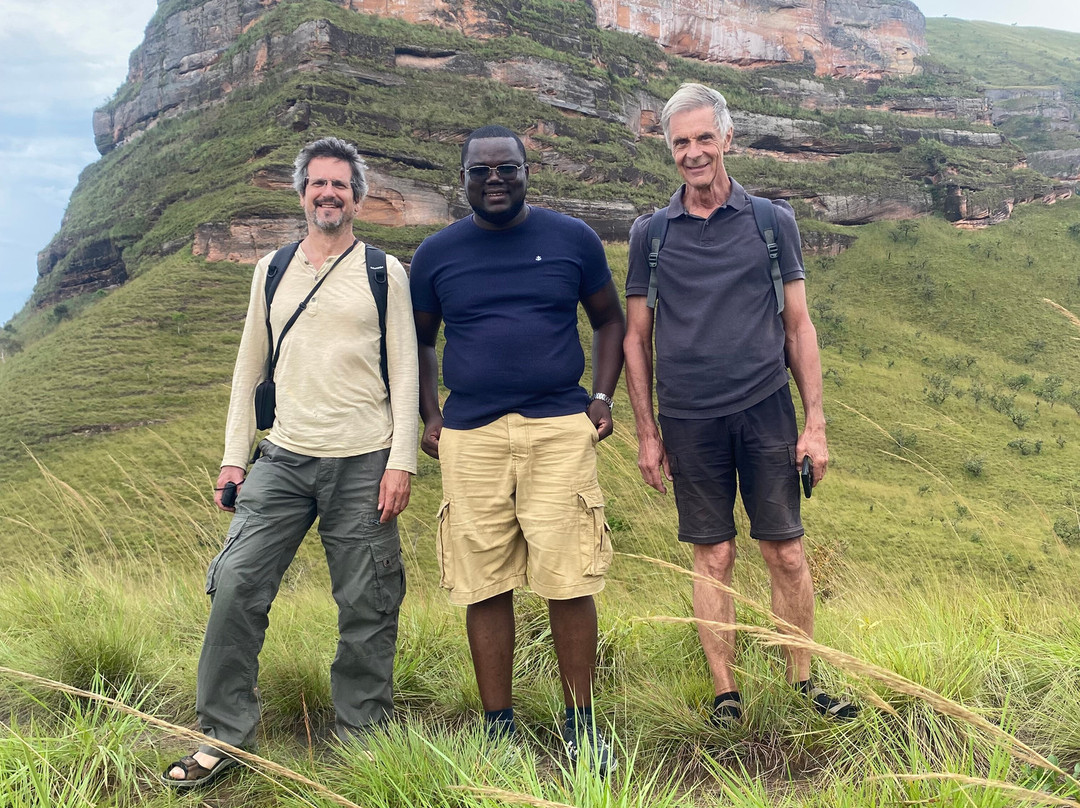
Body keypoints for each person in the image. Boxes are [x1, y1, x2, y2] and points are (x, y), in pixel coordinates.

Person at [163, 136, 419, 788]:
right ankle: (223, 739)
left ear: (356, 196)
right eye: (317, 184)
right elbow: (249, 366)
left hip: (364, 456)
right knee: (235, 585)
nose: (328, 194)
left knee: (368, 602)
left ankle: (364, 742)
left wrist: (402, 461)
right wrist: (232, 459)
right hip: (283, 456)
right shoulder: (272, 270)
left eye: (340, 185)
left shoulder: (383, 271)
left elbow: (407, 370)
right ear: (302, 193)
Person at [623, 83, 856, 725]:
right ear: (668, 150)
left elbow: (798, 326)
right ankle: (727, 694)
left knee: (784, 550)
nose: (694, 153)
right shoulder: (651, 234)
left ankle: (802, 683)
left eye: (704, 138)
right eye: (681, 143)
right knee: (714, 553)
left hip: (765, 408)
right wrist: (647, 432)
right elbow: (636, 339)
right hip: (689, 417)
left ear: (727, 138)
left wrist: (815, 423)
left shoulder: (770, 222)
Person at [410, 125, 625, 774]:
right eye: (480, 171)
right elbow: (420, 339)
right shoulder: (437, 254)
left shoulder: (572, 239)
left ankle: (581, 725)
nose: (494, 180)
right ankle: (498, 724)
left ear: (528, 171)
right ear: (463, 178)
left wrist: (603, 397)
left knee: (569, 577)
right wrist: (430, 414)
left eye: (507, 168)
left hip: (559, 428)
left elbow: (609, 318)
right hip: (470, 437)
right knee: (484, 583)